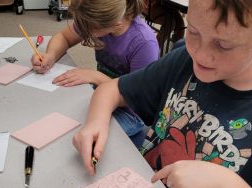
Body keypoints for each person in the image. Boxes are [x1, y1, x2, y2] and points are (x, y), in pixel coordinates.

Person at [73, 0, 252, 188]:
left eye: (223, 44)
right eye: (193, 31)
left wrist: (225, 184)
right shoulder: (184, 60)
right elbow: (112, 89)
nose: (200, 53)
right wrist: (95, 123)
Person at [31, 0, 159, 148]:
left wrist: (94, 76)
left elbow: (138, 98)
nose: (83, 30)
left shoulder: (144, 43)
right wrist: (50, 55)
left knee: (78, 139)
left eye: (88, 28)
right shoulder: (98, 21)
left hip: (130, 112)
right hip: (101, 96)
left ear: (116, 23)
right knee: (59, 117)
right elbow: (64, 37)